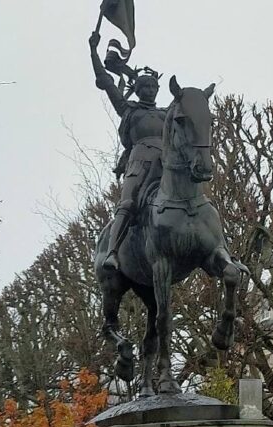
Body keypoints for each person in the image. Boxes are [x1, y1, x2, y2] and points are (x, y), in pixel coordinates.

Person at [89, 31, 167, 271]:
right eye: (146, 86)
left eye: (154, 86)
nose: (151, 90)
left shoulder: (166, 114)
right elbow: (107, 82)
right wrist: (93, 51)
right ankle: (112, 252)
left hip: (166, 163)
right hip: (140, 162)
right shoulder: (129, 109)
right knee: (127, 203)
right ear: (139, 89)